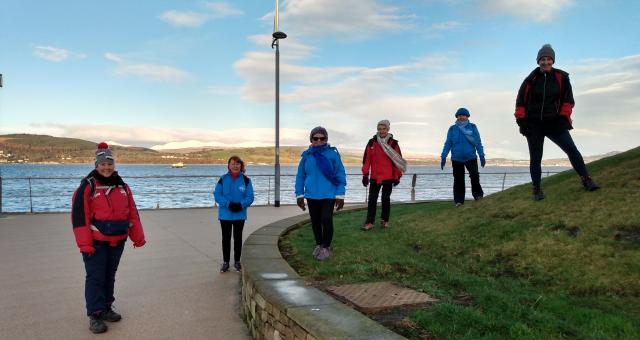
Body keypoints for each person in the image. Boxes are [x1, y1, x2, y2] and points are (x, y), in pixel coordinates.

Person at [71, 142, 146, 334]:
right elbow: (80, 217)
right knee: (95, 277)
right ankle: (94, 314)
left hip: (117, 240)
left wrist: (138, 237)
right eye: (102, 164)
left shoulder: (123, 186)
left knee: (109, 276)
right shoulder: (88, 186)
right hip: (95, 242)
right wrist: (85, 244)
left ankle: (105, 308)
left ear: (114, 165)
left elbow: (132, 213)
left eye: (109, 164)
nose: (106, 167)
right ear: (96, 164)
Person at [515, 44, 599, 200]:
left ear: (553, 60)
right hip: (534, 125)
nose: (545, 62)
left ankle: (586, 179)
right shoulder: (529, 80)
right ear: (538, 61)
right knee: (536, 157)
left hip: (555, 123)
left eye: (548, 59)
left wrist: (563, 116)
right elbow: (520, 103)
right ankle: (537, 189)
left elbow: (568, 100)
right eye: (542, 59)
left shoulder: (562, 77)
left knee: (572, 150)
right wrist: (521, 122)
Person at [295, 126, 347, 261]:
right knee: (315, 221)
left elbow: (340, 173)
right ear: (311, 139)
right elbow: (300, 176)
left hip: (328, 194)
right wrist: (299, 194)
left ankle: (326, 247)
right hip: (311, 195)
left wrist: (340, 195)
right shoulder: (307, 156)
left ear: (326, 139)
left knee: (326, 219)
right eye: (315, 138)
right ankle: (319, 244)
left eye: (322, 138)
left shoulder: (332, 154)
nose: (319, 140)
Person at [361, 119, 407, 230]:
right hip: (375, 177)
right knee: (372, 200)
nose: (381, 131)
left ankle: (385, 220)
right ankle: (369, 222)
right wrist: (365, 174)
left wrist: (397, 177)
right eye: (379, 129)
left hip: (388, 177)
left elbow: (397, 161)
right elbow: (367, 160)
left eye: (384, 129)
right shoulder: (372, 142)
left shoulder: (393, 143)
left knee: (385, 199)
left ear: (388, 129)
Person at [213, 156, 254, 273]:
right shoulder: (223, 179)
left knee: (237, 238)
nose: (235, 166)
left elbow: (250, 197)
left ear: (241, 166)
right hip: (225, 214)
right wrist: (228, 204)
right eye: (233, 164)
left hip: (239, 214)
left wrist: (240, 205)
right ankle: (226, 262)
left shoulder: (246, 180)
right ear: (228, 166)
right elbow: (217, 194)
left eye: (237, 164)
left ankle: (237, 262)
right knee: (225, 238)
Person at [440, 108, 486, 206]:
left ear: (467, 116)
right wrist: (443, 156)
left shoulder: (472, 127)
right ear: (457, 117)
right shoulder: (452, 129)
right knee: (458, 180)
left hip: (471, 157)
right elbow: (448, 143)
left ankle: (478, 196)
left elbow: (478, 142)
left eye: (463, 115)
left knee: (474, 175)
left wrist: (481, 155)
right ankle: (459, 201)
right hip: (456, 158)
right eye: (459, 115)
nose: (461, 117)